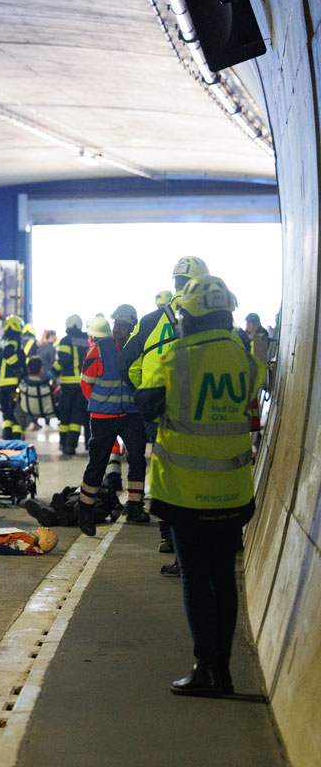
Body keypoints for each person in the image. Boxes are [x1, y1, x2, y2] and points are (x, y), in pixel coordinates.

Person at [134, 275, 264, 696]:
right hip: (233, 489)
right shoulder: (246, 360)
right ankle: (222, 668)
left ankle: (206, 667)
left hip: (185, 492)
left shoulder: (172, 357)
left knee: (195, 576)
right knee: (224, 577)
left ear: (192, 317)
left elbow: (148, 404)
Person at [121, 256, 209, 557]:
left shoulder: (150, 321)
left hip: (159, 411)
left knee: (166, 473)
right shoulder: (211, 320)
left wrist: (145, 396)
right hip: (199, 411)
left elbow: (126, 366)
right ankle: (195, 536)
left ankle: (168, 537)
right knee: (198, 471)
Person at [76, 308, 149, 535]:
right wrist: (100, 403)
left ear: (132, 328)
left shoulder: (138, 349)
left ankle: (135, 505)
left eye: (122, 326)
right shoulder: (100, 348)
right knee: (97, 463)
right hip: (103, 416)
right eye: (115, 325)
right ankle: (84, 511)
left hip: (130, 414)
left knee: (137, 459)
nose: (117, 330)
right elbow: (86, 381)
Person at [53, 314, 90, 455]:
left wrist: (51, 374)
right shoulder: (85, 341)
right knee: (76, 415)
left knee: (65, 415)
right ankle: (71, 446)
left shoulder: (66, 340)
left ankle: (63, 443)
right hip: (82, 384)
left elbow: (63, 360)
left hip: (68, 384)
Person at [0, 315, 25, 440]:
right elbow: (10, 355)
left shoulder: (4, 339)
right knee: (15, 412)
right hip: (12, 382)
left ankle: (6, 439)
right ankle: (16, 440)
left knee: (7, 415)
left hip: (1, 383)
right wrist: (19, 368)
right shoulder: (13, 339)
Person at [17, 356, 56, 431]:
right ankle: (47, 424)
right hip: (47, 412)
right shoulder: (47, 386)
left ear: (28, 369)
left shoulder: (23, 386)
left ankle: (32, 423)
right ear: (41, 369)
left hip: (27, 410)